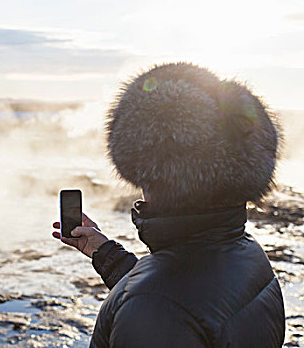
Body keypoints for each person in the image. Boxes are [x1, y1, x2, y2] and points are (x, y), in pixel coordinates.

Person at [52, 63, 285, 347]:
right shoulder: (246, 253)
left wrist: (139, 297)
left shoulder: (153, 306)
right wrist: (104, 253)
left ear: (154, 174)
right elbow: (185, 296)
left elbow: (164, 304)